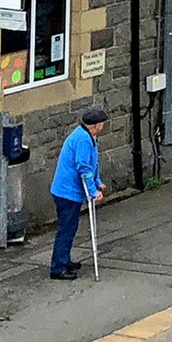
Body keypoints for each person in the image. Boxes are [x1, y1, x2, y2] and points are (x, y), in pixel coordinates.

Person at [49, 107, 107, 280]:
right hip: (67, 193)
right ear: (95, 126)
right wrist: (93, 191)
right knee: (66, 230)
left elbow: (92, 164)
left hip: (67, 191)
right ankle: (58, 267)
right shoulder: (83, 140)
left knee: (70, 228)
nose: (103, 126)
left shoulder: (87, 136)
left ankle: (64, 260)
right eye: (102, 123)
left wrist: (97, 182)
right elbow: (83, 167)